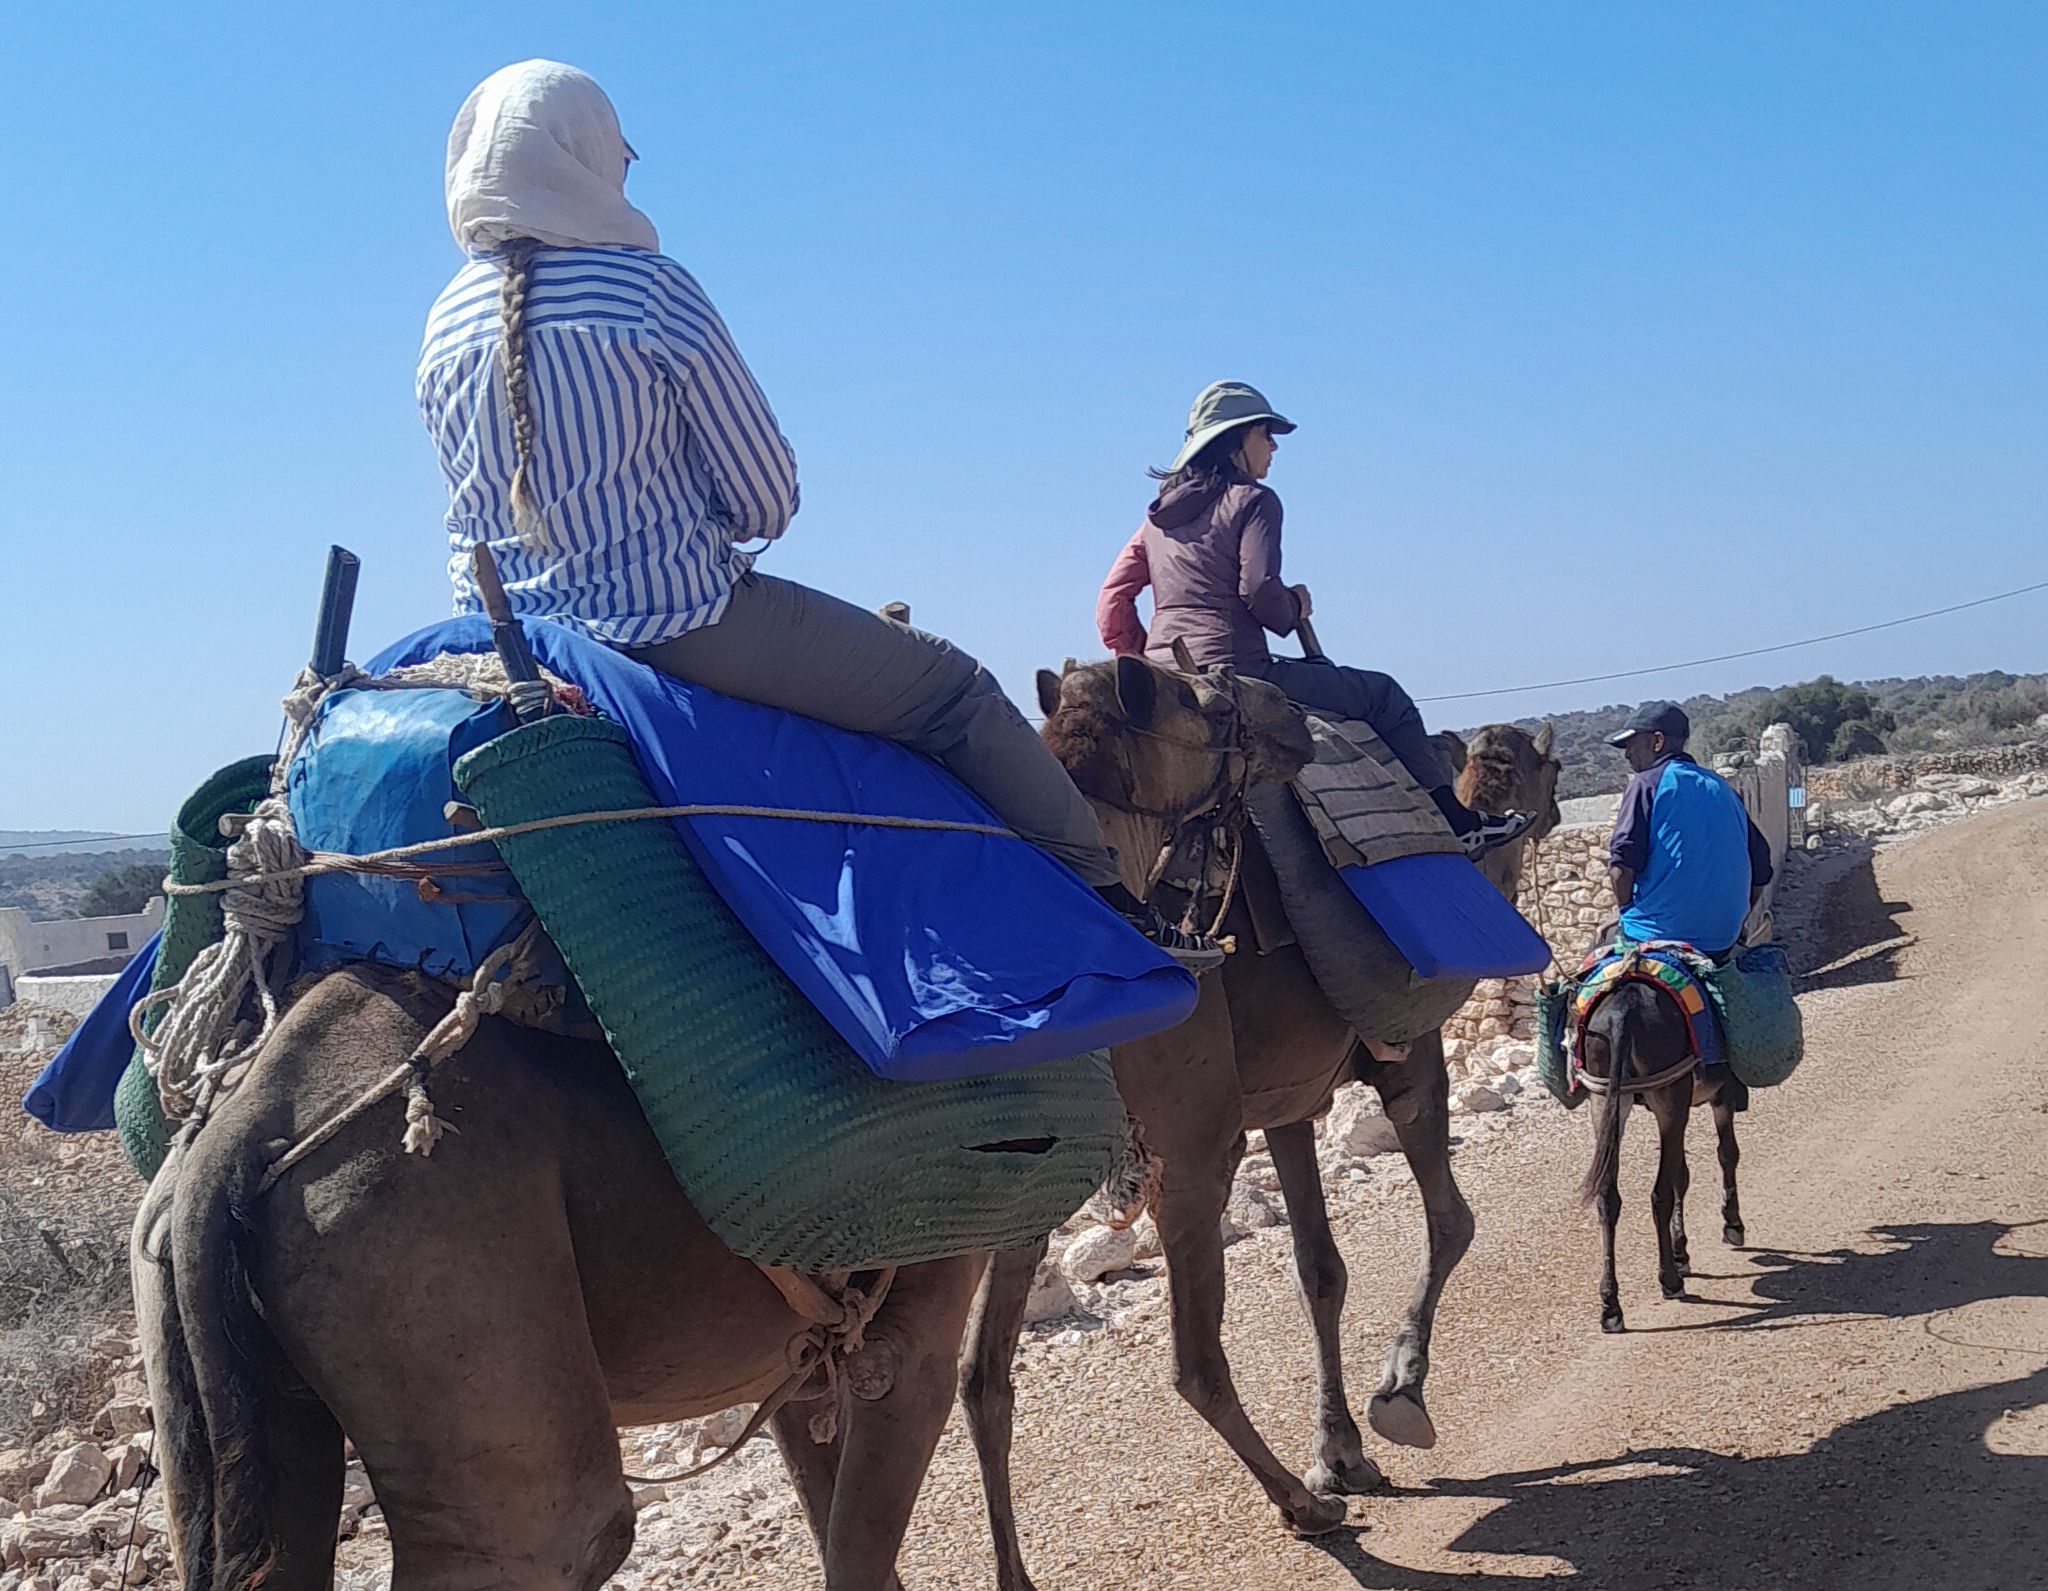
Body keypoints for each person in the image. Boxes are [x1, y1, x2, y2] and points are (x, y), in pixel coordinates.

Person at [417, 60, 1218, 965]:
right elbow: (768, 497)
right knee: (957, 693)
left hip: (513, 645)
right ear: (586, 155)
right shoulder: (648, 289)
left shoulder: (443, 321)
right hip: (679, 624)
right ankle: (1113, 909)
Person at [1095, 381, 1531, 855]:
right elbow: (1258, 591)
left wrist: (1141, 656)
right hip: (1236, 671)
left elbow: (1113, 601)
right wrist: (1293, 606)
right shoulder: (1254, 500)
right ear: (1237, 439)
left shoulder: (1157, 520)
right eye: (1266, 434)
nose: (1274, 446)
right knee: (1385, 696)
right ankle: (1458, 822)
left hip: (1168, 677)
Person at [1606, 702, 1774, 957]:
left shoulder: (1646, 784)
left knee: (1601, 946)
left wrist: (1626, 913)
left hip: (1659, 935)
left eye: (1632, 745)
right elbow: (1761, 867)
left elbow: (1621, 866)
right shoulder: (1723, 788)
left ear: (1657, 741)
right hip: (1723, 940)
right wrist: (1736, 922)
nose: (1627, 754)